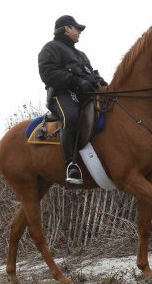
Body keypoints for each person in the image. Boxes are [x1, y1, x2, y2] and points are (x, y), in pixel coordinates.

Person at [38, 15, 108, 184]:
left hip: (85, 94)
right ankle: (71, 165)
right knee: (71, 116)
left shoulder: (81, 54)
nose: (79, 33)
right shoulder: (50, 48)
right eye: (77, 29)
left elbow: (91, 74)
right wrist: (76, 81)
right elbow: (48, 73)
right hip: (61, 94)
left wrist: (102, 83)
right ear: (67, 28)